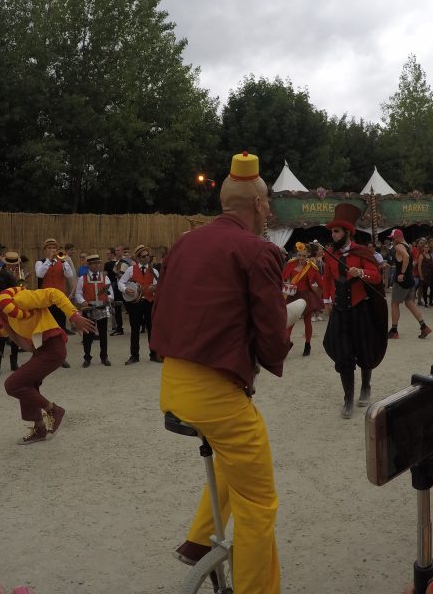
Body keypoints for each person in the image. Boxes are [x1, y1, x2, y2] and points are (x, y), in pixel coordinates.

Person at [150, 151, 291, 594]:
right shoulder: (259, 250)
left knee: (242, 457)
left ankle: (197, 540)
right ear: (257, 204)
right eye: (267, 202)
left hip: (173, 382)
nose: (268, 209)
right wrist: (280, 345)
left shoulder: (185, 243)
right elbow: (270, 333)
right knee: (259, 503)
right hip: (216, 394)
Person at [0, 269, 95, 444]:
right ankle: (39, 428)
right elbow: (13, 333)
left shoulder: (20, 298)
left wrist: (74, 315)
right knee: (26, 384)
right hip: (42, 350)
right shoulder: (5, 313)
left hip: (52, 348)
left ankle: (53, 410)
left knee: (13, 384)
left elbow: (54, 293)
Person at [321, 203, 388, 418]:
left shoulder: (362, 253)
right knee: (343, 354)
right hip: (340, 311)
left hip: (361, 309)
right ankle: (348, 398)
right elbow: (328, 278)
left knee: (364, 350)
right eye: (332, 231)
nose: (333, 234)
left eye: (337, 231)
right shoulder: (329, 254)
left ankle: (365, 387)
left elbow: (376, 276)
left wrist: (360, 272)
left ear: (347, 232)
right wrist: (327, 299)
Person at [35, 238, 75, 366]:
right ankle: (45, 355)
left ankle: (61, 357)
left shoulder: (62, 262)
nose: (52, 250)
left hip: (59, 300)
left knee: (60, 327)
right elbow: (40, 274)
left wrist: (63, 262)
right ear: (45, 250)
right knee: (45, 328)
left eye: (54, 248)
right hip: (45, 300)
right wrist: (49, 261)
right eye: (50, 248)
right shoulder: (40, 262)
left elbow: (69, 275)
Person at [117, 244, 160, 363]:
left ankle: (153, 354)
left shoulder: (154, 271)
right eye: (143, 256)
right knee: (135, 329)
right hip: (134, 304)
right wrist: (126, 290)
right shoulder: (131, 270)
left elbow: (160, 285)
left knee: (152, 329)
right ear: (138, 258)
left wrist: (155, 288)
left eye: (147, 255)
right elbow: (121, 283)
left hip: (149, 302)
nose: (146, 258)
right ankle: (134, 355)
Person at [281, 242, 323, 355]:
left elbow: (321, 283)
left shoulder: (311, 268)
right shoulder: (290, 264)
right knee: (289, 322)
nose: (301, 258)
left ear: (308, 255)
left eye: (304, 256)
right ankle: (286, 344)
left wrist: (324, 294)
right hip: (292, 295)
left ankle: (307, 344)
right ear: (297, 254)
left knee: (307, 321)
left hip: (306, 297)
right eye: (299, 255)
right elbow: (283, 278)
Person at [389, 229, 431, 338]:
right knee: (409, 303)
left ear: (397, 237)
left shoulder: (399, 246)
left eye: (393, 238)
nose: (392, 240)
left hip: (401, 281)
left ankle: (394, 331)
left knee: (394, 304)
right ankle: (424, 326)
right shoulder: (407, 245)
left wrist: (402, 273)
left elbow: (406, 257)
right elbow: (409, 260)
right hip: (410, 279)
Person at [72, 253, 112, 367]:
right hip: (89, 308)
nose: (96, 265)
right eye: (93, 264)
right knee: (88, 334)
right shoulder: (82, 279)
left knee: (103, 333)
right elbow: (78, 293)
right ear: (88, 265)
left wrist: (110, 298)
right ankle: (87, 358)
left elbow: (110, 291)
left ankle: (104, 357)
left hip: (102, 308)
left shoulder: (105, 277)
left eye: (97, 263)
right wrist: (82, 301)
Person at [104, 246, 127, 335]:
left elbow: (123, 277)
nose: (117, 252)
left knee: (126, 307)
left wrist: (115, 272)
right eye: (116, 250)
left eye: (119, 250)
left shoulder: (124, 262)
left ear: (122, 251)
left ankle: (120, 328)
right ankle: (119, 328)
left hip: (122, 287)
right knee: (116, 308)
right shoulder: (117, 262)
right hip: (117, 287)